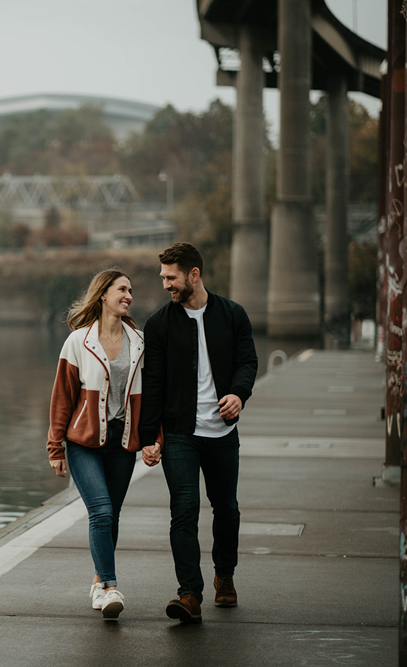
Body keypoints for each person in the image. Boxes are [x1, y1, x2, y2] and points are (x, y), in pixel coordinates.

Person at [139, 242, 257, 624]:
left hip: (222, 433)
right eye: (162, 278)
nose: (166, 285)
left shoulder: (232, 314)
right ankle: (189, 593)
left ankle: (225, 576)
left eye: (171, 278)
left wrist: (239, 394)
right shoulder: (158, 324)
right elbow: (153, 383)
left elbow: (247, 361)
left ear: (194, 275)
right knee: (184, 512)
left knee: (227, 509)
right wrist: (148, 438)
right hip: (179, 435)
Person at [47, 268, 147, 620]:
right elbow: (62, 399)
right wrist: (55, 448)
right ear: (103, 293)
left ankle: (97, 583)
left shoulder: (138, 341)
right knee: (101, 512)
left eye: (131, 290)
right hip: (83, 442)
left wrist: (154, 439)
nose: (129, 295)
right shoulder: (78, 342)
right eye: (122, 289)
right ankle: (110, 586)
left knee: (111, 516)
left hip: (122, 442)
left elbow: (148, 398)